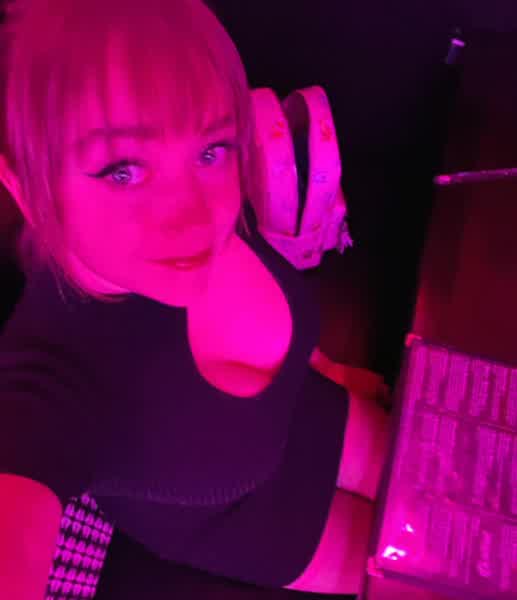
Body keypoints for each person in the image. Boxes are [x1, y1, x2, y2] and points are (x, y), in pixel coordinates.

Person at [0, 0, 390, 597]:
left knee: (461, 497)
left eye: (211, 149)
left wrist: (323, 367)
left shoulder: (216, 208)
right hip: (254, 526)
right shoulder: (52, 377)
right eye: (122, 170)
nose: (195, 214)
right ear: (26, 188)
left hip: (314, 412)